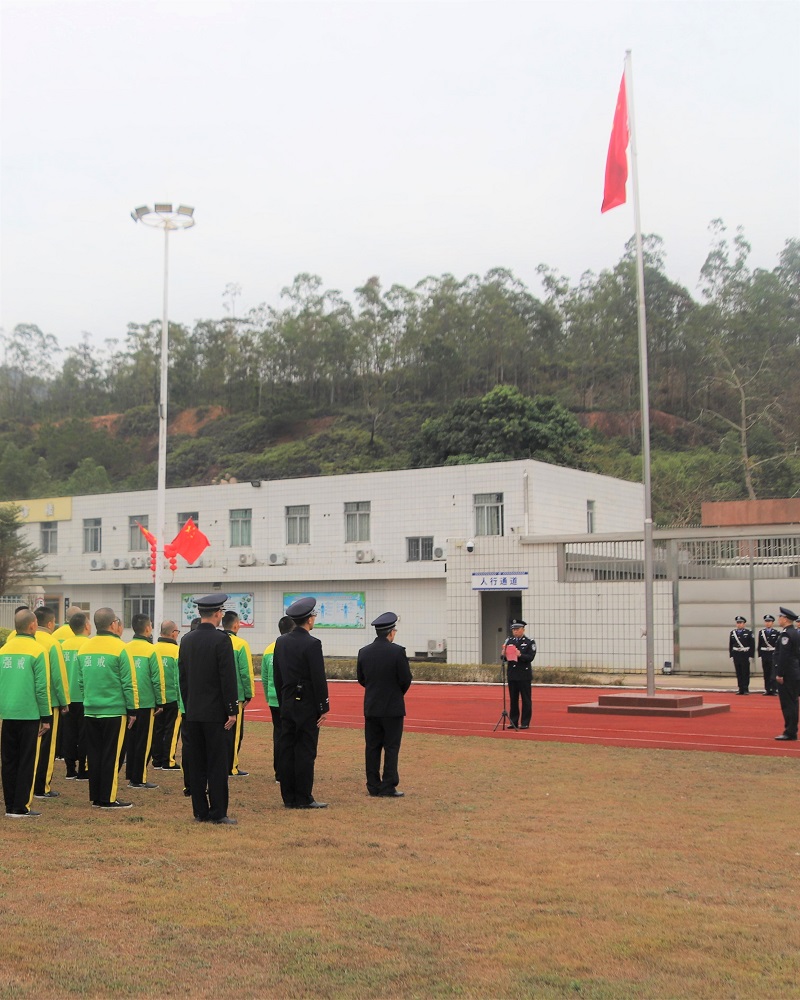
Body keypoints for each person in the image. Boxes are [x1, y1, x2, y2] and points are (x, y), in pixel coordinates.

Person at [178, 594, 238, 825]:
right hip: (215, 714)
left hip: (193, 711)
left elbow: (183, 677)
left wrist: (189, 703)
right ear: (217, 614)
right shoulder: (222, 640)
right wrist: (231, 709)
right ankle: (218, 811)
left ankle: (200, 811)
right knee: (217, 763)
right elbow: (227, 678)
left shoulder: (187, 639)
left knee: (196, 762)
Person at [76, 608, 137, 809]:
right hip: (114, 711)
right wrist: (132, 710)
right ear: (113, 624)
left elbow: (81, 681)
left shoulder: (84, 648)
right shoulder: (121, 648)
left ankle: (96, 796)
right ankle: (108, 798)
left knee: (94, 755)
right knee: (112, 755)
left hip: (91, 709)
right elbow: (129, 683)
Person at [273, 597, 330, 809]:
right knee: (305, 750)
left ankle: (288, 797)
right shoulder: (313, 643)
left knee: (287, 749)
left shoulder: (281, 641)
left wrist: (282, 700)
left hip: (287, 701)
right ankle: (304, 797)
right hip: (306, 703)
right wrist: (323, 707)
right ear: (309, 619)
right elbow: (318, 678)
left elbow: (278, 675)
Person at [0, 609, 51, 818]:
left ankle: (10, 805)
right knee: (27, 761)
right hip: (29, 714)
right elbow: (41, 688)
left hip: (7, 714)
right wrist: (46, 717)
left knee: (9, 760)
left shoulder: (3, 650)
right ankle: (21, 807)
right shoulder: (38, 651)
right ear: (32, 626)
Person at [356, 611, 413, 798]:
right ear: (390, 632)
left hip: (371, 706)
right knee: (391, 746)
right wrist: (396, 693)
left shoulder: (364, 652)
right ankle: (388, 786)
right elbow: (405, 679)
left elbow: (362, 679)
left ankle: (373, 785)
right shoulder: (397, 651)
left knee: (372, 746)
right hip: (392, 707)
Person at [122, 613, 165, 790]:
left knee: (130, 740)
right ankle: (138, 778)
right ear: (148, 628)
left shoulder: (125, 648)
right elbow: (157, 679)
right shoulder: (151, 650)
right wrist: (160, 701)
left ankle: (130, 773)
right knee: (144, 741)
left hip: (129, 702)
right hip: (146, 703)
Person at [33, 605, 70, 799]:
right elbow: (58, 676)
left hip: (26, 703)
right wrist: (64, 701)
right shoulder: (52, 642)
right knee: (47, 747)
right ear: (50, 623)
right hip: (48, 702)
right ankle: (42, 787)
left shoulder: (16, 638)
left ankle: (27, 784)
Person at [222, 610, 254, 778]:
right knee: (235, 734)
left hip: (218, 695)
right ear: (236, 625)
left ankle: (220, 764)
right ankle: (231, 767)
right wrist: (249, 694)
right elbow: (245, 672)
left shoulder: (217, 640)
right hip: (236, 696)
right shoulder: (240, 644)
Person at [60, 611, 91, 780]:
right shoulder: (88, 645)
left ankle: (70, 769)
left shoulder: (63, 645)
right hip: (84, 696)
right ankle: (82, 770)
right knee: (84, 734)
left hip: (66, 696)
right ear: (87, 626)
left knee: (69, 734)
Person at [262, 616, 292, 783]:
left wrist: (269, 697)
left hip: (274, 699)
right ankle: (288, 772)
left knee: (278, 735)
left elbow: (265, 678)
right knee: (290, 736)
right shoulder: (291, 647)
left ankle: (279, 773)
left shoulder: (268, 649)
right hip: (288, 699)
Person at [152, 621, 182, 771]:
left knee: (158, 729)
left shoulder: (152, 649)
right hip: (173, 696)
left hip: (156, 698)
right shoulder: (177, 651)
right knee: (172, 729)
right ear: (172, 633)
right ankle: (168, 760)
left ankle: (156, 759)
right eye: (177, 631)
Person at [502, 618, 537, 730]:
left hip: (523, 675)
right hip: (512, 674)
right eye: (513, 629)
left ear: (523, 629)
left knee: (526, 699)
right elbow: (504, 658)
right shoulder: (509, 641)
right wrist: (503, 654)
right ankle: (514, 721)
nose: (515, 631)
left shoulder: (529, 642)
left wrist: (520, 654)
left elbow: (530, 657)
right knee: (513, 699)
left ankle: (525, 722)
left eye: (517, 629)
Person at [773, 607, 800, 741]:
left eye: (780, 617)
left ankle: (790, 731)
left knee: (788, 703)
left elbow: (783, 656)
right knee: (794, 702)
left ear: (785, 619)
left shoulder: (786, 634)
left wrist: (780, 674)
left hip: (788, 674)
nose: (779, 620)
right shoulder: (796, 632)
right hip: (794, 672)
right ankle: (792, 729)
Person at [729, 615, 755, 695]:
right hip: (736, 654)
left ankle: (745, 688)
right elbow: (731, 644)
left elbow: (752, 645)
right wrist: (731, 655)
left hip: (745, 654)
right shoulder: (733, 633)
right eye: (738, 623)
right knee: (738, 672)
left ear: (744, 624)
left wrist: (751, 656)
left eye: (741, 623)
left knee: (745, 672)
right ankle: (740, 688)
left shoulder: (748, 633)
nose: (739, 624)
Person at [757, 614, 780, 696]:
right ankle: (767, 689)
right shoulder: (761, 632)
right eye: (766, 621)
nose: (767, 623)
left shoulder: (776, 633)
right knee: (766, 672)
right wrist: (760, 654)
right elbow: (759, 644)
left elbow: (777, 646)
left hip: (773, 655)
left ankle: (774, 689)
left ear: (772, 623)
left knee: (773, 672)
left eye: (769, 621)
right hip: (765, 655)